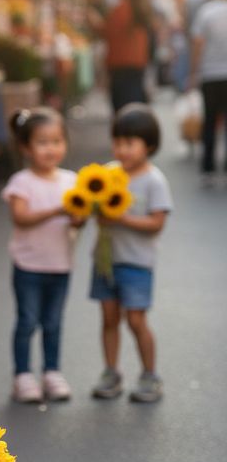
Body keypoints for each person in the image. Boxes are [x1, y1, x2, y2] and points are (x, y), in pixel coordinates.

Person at [90, 104, 172, 405]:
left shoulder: (154, 180)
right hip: (105, 260)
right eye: (118, 142)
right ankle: (111, 371)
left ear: (148, 145)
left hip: (137, 263)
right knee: (109, 317)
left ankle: (150, 374)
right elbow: (91, 203)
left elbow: (157, 223)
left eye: (130, 143)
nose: (122, 149)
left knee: (136, 320)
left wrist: (121, 218)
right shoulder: (108, 174)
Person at [1, 107, 77, 404]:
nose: (51, 148)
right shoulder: (22, 182)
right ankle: (22, 375)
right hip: (29, 265)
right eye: (43, 142)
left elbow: (78, 220)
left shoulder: (72, 180)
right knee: (28, 321)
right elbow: (21, 218)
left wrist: (79, 217)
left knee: (54, 322)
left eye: (57, 141)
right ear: (26, 147)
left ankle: (52, 372)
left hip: (61, 264)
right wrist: (58, 210)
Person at [189, 0, 227, 185]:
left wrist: (193, 73)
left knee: (210, 120)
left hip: (211, 73)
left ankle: (208, 167)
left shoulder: (208, 11)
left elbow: (197, 44)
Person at [102, 0, 150, 112]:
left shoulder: (123, 8)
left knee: (124, 109)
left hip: (122, 64)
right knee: (132, 107)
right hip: (135, 64)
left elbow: (109, 32)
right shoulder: (138, 6)